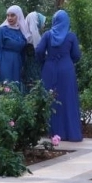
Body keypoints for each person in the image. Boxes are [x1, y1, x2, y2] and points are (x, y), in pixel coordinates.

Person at [36, 10, 82, 142]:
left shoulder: (47, 35)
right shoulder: (71, 36)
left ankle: (51, 132)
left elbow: (39, 51)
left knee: (50, 99)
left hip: (49, 69)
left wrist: (45, 61)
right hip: (66, 69)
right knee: (68, 99)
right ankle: (71, 133)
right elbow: (77, 55)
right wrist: (67, 60)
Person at [0, 5, 29, 91]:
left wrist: (23, 65)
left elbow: (24, 50)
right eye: (8, 15)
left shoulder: (21, 32)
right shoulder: (2, 31)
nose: (9, 18)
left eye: (12, 15)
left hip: (17, 64)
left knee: (16, 88)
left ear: (18, 16)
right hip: (4, 63)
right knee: (5, 86)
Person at [22, 11, 46, 91]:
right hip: (33, 64)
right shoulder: (32, 37)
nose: (44, 25)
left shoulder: (26, 36)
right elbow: (39, 50)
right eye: (42, 22)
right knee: (35, 83)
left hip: (30, 64)